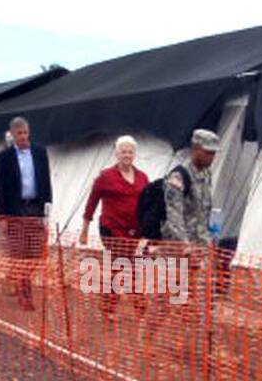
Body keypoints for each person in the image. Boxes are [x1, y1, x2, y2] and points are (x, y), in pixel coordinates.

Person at [81, 135, 150, 318]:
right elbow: (92, 201)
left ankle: (137, 308)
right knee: (122, 266)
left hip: (135, 230)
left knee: (135, 266)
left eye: (130, 152)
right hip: (111, 228)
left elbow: (149, 203)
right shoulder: (105, 177)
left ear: (134, 154)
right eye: (123, 152)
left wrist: (150, 230)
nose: (127, 155)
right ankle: (112, 307)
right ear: (117, 154)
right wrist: (85, 229)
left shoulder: (143, 177)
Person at [0, 117, 53, 310]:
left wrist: (47, 209)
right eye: (19, 133)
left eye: (26, 132)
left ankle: (18, 279)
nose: (23, 137)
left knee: (35, 253)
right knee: (19, 253)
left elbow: (46, 180)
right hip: (14, 210)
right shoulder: (3, 157)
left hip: (35, 208)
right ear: (13, 134)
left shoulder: (40, 152)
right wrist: (1, 217)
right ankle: (26, 295)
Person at [161, 129, 218, 246]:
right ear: (196, 149)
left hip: (202, 242)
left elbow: (205, 210)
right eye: (207, 152)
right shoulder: (179, 176)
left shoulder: (206, 173)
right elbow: (174, 216)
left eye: (213, 153)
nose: (211, 157)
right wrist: (184, 245)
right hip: (181, 246)